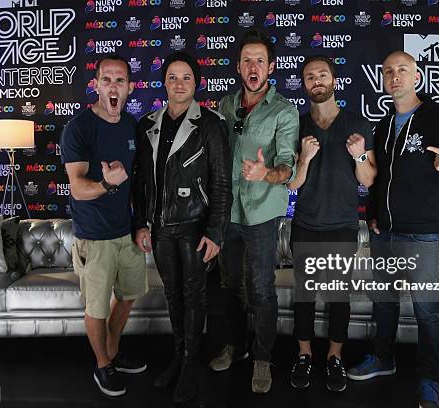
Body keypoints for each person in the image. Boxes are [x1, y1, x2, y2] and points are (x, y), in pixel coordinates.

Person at [347, 51, 439, 408]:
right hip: (385, 231)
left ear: (416, 77)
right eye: (388, 71)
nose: (395, 76)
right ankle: (383, 358)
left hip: (422, 232)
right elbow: (380, 180)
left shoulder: (436, 118)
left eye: (402, 70)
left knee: (425, 310)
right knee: (385, 303)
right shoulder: (384, 123)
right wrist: (373, 214)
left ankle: (428, 379)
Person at [132, 52, 232, 403]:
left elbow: (221, 183)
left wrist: (216, 231)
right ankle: (179, 355)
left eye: (186, 77)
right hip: (159, 228)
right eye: (172, 77)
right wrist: (140, 224)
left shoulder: (211, 124)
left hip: (194, 227)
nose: (178, 84)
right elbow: (141, 182)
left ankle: (191, 362)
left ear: (196, 82)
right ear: (163, 82)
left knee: (194, 296)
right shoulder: (147, 124)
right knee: (173, 295)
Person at [208, 28, 299, 394]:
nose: (253, 66)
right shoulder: (225, 106)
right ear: (239, 67)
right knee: (230, 286)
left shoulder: (284, 111)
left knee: (261, 289)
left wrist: (267, 173)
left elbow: (288, 168)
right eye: (247, 60)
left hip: (262, 213)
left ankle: (262, 358)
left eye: (260, 60)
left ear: (271, 67)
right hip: (228, 214)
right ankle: (237, 346)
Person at [287, 55, 377, 392]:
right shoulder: (295, 126)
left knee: (339, 296)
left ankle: (334, 357)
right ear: (304, 85)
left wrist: (358, 155)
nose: (316, 81)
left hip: (342, 224)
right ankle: (305, 355)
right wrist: (305, 160)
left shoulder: (358, 125)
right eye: (309, 77)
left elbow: (368, 181)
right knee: (305, 295)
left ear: (334, 80)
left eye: (322, 74)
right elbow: (292, 185)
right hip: (306, 223)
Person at [60, 54, 148, 397]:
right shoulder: (79, 128)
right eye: (107, 80)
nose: (113, 86)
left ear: (130, 88)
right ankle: (102, 365)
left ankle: (112, 351)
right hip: (94, 237)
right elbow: (78, 189)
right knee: (96, 307)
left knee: (127, 297)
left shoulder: (129, 125)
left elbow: (137, 183)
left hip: (125, 231)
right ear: (96, 85)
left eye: (120, 81)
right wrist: (108, 184)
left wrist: (139, 224)